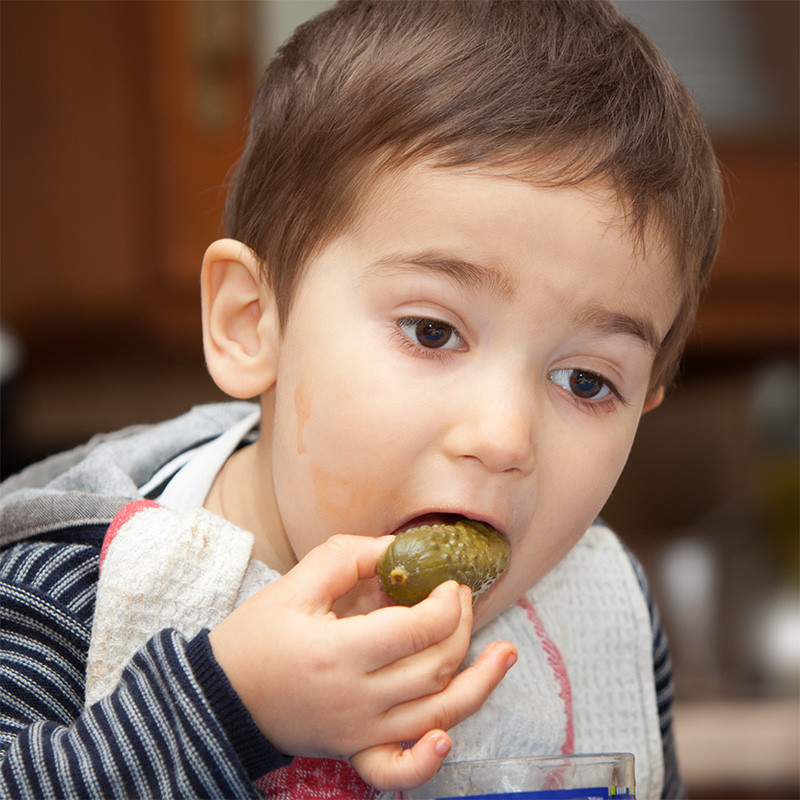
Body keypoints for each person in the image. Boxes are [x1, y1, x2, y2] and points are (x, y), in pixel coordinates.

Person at [0, 0, 723, 797]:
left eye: (587, 381)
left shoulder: (602, 614)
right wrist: (228, 709)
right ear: (252, 322)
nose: (504, 437)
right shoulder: (71, 590)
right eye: (433, 332)